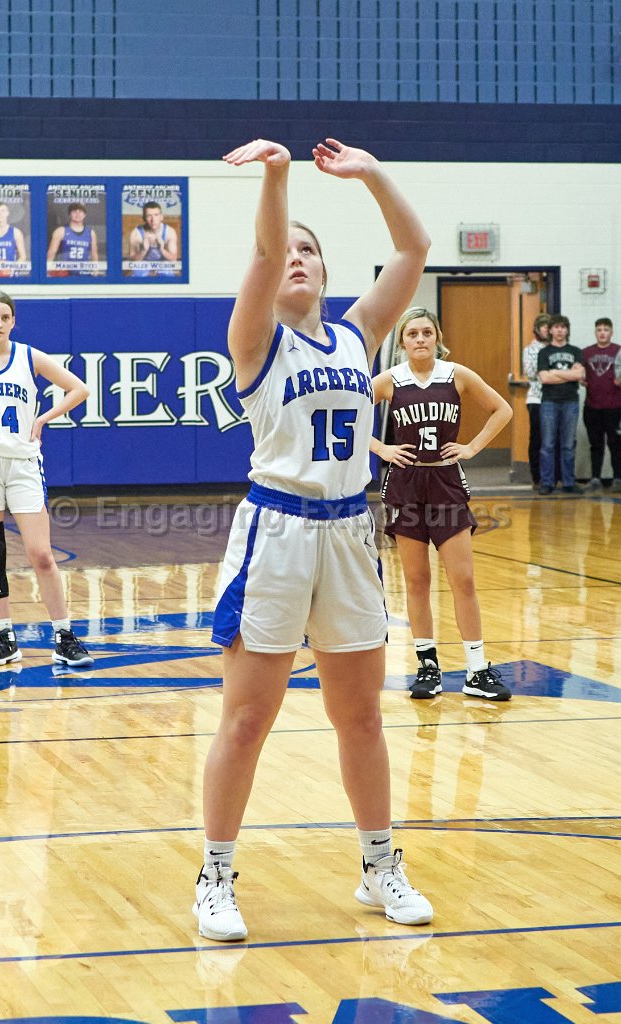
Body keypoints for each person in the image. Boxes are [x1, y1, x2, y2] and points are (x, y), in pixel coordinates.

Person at [194, 137, 432, 943]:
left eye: (310, 250)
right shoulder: (256, 339)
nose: (295, 256)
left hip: (348, 531)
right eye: (286, 249)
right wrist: (278, 176)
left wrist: (372, 175)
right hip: (276, 532)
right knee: (246, 719)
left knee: (359, 717)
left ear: (327, 272)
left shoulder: (358, 334)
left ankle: (379, 866)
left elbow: (413, 249)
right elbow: (265, 251)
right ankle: (215, 877)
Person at [0, 290, 94, 668]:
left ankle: (64, 636)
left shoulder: (29, 356)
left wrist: (43, 418)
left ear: (13, 321)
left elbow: (80, 388)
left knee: (41, 554)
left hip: (23, 464)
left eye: (4, 317)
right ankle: (5, 638)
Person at [371, 308, 513, 703]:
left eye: (426, 332)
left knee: (463, 579)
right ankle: (427, 667)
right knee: (417, 581)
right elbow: (346, 414)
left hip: (446, 483)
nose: (420, 339)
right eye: (412, 333)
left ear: (437, 338)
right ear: (402, 341)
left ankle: (476, 670)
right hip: (406, 485)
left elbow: (503, 409)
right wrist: (381, 448)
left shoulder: (457, 375)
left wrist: (472, 447)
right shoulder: (389, 380)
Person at [537, 314, 585, 495]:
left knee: (568, 444)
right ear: (550, 330)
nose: (560, 330)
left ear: (567, 330)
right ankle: (547, 483)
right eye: (556, 327)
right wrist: (568, 374)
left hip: (570, 402)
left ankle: (568, 482)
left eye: (563, 327)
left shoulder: (576, 351)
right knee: (547, 445)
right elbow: (544, 378)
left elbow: (580, 375)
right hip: (549, 402)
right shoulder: (544, 352)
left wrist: (554, 373)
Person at [581, 318, 621, 492]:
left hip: (614, 407)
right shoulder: (586, 352)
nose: (602, 333)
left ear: (611, 332)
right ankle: (595, 478)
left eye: (606, 329)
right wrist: (580, 378)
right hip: (592, 406)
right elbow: (579, 372)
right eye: (599, 329)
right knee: (596, 445)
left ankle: (618, 479)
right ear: (595, 332)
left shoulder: (618, 351)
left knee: (615, 444)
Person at [522, 313, 551, 489]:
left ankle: (554, 477)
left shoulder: (557, 348)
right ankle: (537, 478)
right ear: (537, 330)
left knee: (554, 440)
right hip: (537, 398)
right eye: (544, 327)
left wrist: (550, 373)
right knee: (537, 439)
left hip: (555, 398)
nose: (547, 330)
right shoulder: (530, 349)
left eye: (549, 327)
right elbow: (532, 372)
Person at [46, 202, 99, 276]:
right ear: (69, 214)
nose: (77, 214)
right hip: (64, 274)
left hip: (84, 273)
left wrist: (95, 271)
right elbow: (51, 253)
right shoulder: (60, 231)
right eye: (74, 211)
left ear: (84, 215)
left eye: (80, 211)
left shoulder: (91, 233)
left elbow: (94, 255)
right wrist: (47, 272)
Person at [128, 201, 178, 276]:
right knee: (138, 272)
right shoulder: (136, 233)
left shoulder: (169, 232)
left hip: (163, 265)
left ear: (161, 217)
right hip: (144, 265)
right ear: (144, 218)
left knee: (167, 269)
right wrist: (143, 250)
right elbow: (131, 262)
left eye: (156, 215)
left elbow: (174, 260)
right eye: (149, 216)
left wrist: (162, 250)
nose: (153, 219)